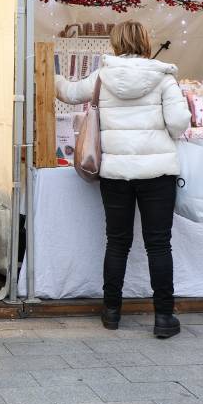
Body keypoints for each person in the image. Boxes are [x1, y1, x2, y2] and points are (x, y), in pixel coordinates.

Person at [54, 20, 191, 339]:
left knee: (117, 241)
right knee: (159, 244)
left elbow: (71, 92)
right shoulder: (163, 77)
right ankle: (164, 318)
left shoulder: (103, 75)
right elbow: (179, 122)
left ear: (115, 43)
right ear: (145, 40)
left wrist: (48, 71)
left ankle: (111, 311)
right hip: (158, 173)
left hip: (115, 173)